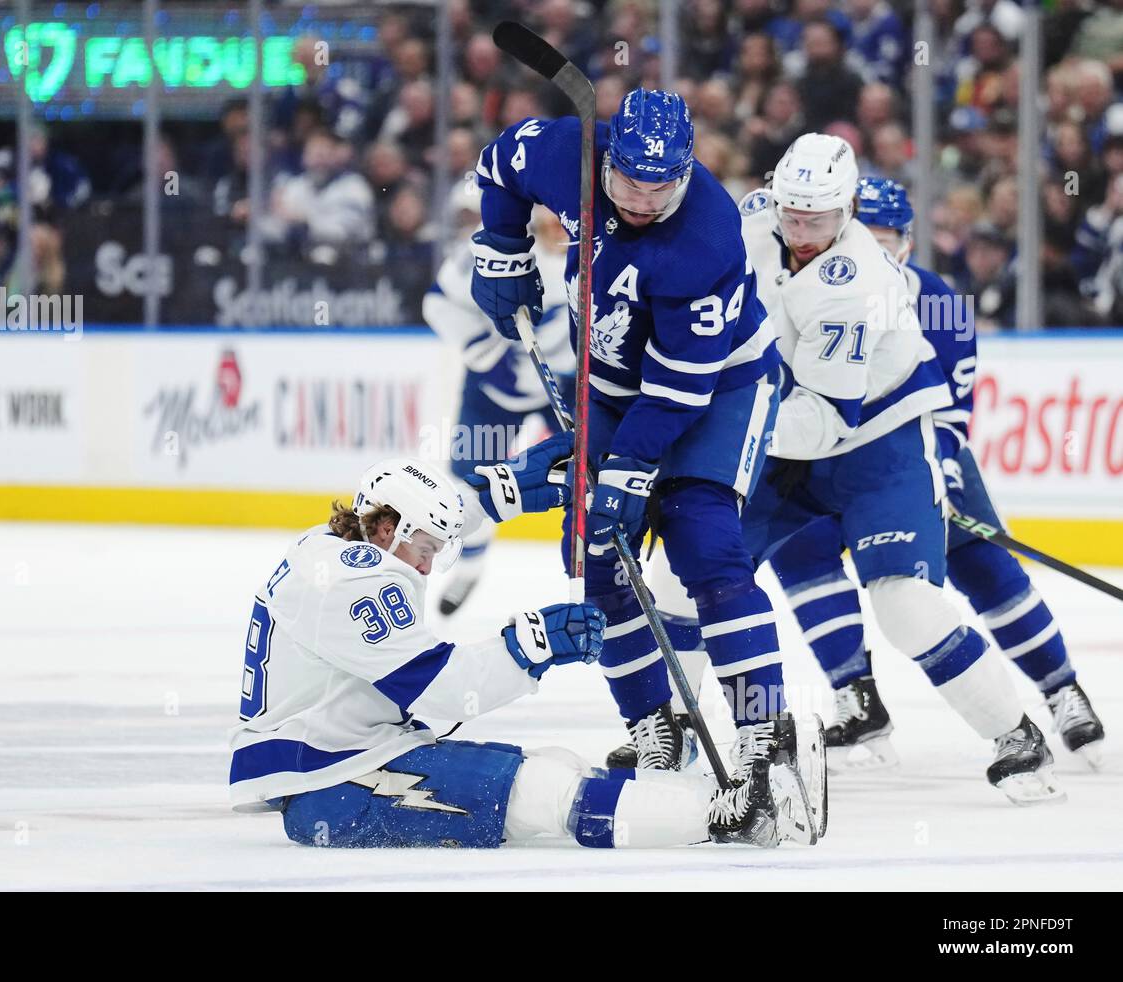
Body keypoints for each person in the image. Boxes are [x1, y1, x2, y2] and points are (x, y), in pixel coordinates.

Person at [468, 86, 826, 833]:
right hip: (612, 386)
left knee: (706, 545)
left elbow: (677, 394)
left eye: (662, 183)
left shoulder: (706, 238)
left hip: (717, 390)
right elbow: (499, 164)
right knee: (600, 561)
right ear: (610, 158)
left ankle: (762, 729)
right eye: (630, 178)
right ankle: (654, 730)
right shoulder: (568, 151)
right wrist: (501, 247)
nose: (643, 196)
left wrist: (627, 475)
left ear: (689, 168)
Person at [226, 443, 819, 849]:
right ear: (387, 529)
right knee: (546, 794)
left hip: (340, 757)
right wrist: (533, 643)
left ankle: (699, 798)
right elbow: (441, 691)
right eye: (428, 546)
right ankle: (736, 817)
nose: (431, 567)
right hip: (328, 782)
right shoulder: (354, 580)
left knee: (557, 764)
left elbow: (438, 525)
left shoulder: (328, 550)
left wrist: (502, 493)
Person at [736, 135, 1063, 804]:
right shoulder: (752, 218)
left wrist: (712, 435)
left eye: (818, 219)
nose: (800, 232)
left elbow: (827, 420)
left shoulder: (860, 279)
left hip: (872, 444)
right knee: (689, 573)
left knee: (905, 603)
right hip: (786, 430)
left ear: (847, 211)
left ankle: (1017, 730)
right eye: (791, 215)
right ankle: (675, 729)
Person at [423, 199, 575, 615]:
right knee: (467, 481)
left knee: (595, 472)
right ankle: (468, 568)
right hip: (493, 389)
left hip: (563, 386)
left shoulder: (595, 256)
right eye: (550, 221)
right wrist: (483, 353)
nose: (559, 231)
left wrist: (572, 364)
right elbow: (436, 302)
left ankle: (597, 572)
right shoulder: (488, 253)